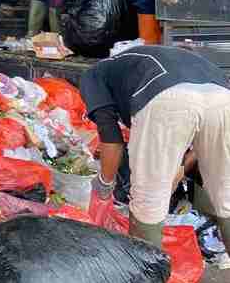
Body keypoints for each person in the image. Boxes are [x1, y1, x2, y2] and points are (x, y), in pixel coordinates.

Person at [80, 45, 230, 249]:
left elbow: (112, 141)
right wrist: (179, 168)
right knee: (226, 198)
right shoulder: (145, 60)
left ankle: (146, 274)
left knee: (148, 203)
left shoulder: (92, 76)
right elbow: (200, 130)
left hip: (165, 98)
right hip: (223, 97)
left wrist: (104, 185)